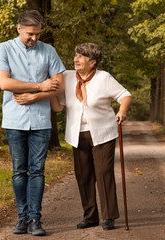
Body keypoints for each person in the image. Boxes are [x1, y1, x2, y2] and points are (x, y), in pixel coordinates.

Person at [0, 10, 65, 236]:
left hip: (41, 122)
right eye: (30, 34)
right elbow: (4, 83)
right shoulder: (4, 49)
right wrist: (41, 85)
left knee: (38, 171)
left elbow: (58, 86)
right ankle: (22, 218)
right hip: (14, 119)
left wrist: (35, 95)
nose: (34, 38)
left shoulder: (49, 51)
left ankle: (35, 219)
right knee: (19, 171)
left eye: (38, 34)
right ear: (19, 28)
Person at [50, 43, 132, 231]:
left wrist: (122, 111)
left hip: (103, 133)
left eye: (81, 56)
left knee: (103, 173)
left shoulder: (104, 78)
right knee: (83, 176)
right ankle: (90, 217)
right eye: (76, 55)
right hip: (77, 134)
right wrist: (50, 92)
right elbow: (58, 107)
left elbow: (124, 94)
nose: (76, 59)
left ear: (93, 62)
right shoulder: (67, 77)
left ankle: (109, 216)